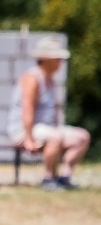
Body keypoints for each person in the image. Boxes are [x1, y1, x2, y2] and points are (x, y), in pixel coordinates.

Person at [7, 35, 90, 191]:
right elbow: (27, 109)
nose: (61, 61)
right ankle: (48, 179)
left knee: (81, 137)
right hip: (23, 131)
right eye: (57, 57)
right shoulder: (32, 79)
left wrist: (57, 127)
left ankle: (64, 177)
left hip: (45, 129)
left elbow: (54, 110)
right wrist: (30, 139)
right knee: (55, 137)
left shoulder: (50, 79)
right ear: (45, 58)